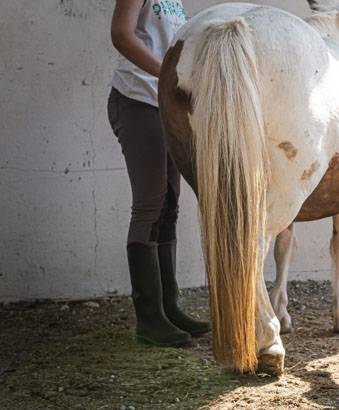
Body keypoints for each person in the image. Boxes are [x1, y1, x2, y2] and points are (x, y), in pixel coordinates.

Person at [107, 0, 210, 346]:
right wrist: (169, 73)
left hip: (164, 104)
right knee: (150, 205)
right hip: (137, 99)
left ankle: (169, 306)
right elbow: (121, 36)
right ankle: (149, 319)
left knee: (169, 207)